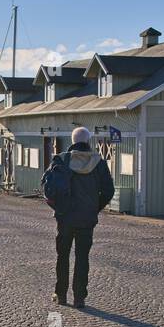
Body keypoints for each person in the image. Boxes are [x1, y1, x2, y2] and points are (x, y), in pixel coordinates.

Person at [43, 126, 114, 308]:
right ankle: (79, 298)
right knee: (82, 258)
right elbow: (109, 191)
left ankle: (60, 294)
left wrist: (59, 207)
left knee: (62, 256)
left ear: (72, 140)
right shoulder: (99, 162)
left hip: (65, 216)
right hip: (86, 218)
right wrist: (94, 208)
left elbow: (48, 187)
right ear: (88, 140)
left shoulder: (61, 159)